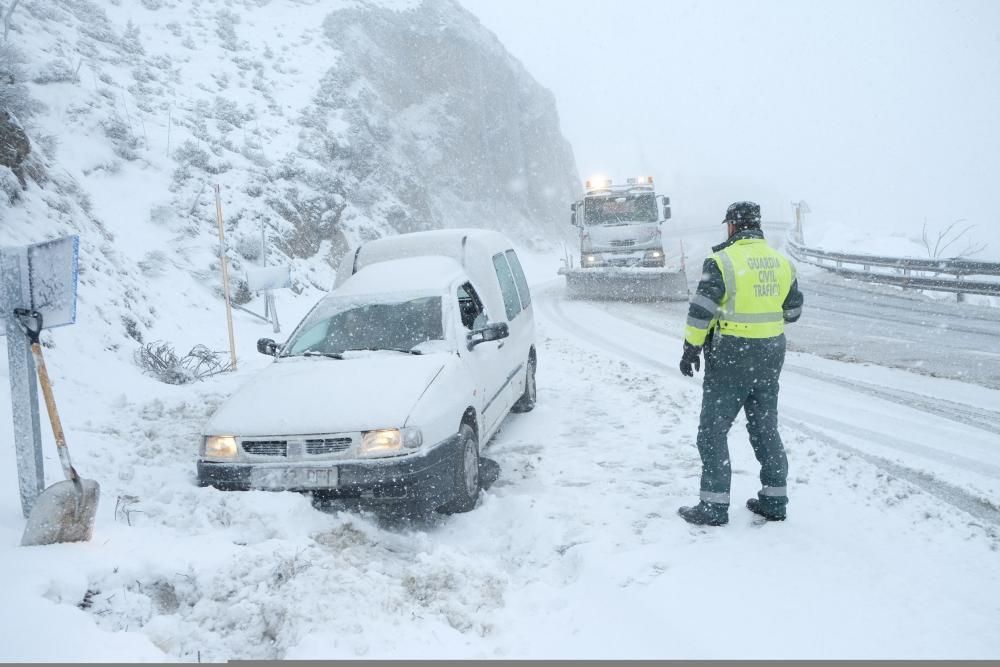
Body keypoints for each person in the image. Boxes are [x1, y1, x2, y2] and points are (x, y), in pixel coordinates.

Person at [677, 201, 804, 526]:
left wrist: (691, 348)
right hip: (771, 354)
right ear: (756, 225)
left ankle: (714, 506)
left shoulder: (721, 262)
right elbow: (792, 312)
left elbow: (701, 310)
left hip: (732, 354)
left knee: (712, 432)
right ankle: (775, 500)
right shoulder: (781, 262)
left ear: (732, 227)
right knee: (765, 427)